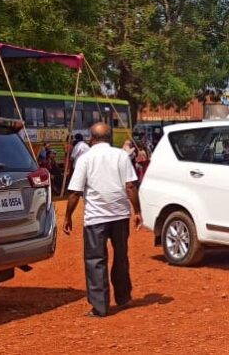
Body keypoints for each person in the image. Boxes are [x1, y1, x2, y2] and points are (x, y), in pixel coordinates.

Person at [64, 123, 141, 318]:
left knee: (95, 261)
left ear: (92, 138)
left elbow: (75, 192)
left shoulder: (85, 159)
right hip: (120, 216)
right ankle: (123, 298)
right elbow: (130, 186)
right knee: (121, 257)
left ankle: (100, 307)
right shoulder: (121, 155)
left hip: (95, 218)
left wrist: (67, 217)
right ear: (110, 137)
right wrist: (137, 211)